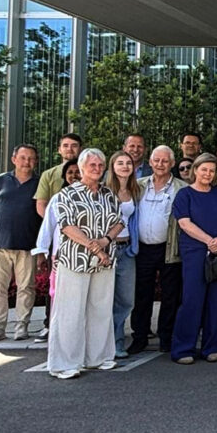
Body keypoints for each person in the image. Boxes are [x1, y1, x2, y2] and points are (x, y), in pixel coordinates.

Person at [46, 149, 123, 380]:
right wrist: (95, 247)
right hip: (75, 260)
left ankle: (98, 357)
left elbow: (119, 222)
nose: (97, 169)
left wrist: (105, 241)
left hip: (105, 260)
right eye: (92, 165)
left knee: (100, 309)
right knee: (70, 311)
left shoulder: (109, 194)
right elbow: (66, 225)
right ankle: (64, 363)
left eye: (100, 165)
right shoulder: (66, 194)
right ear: (81, 168)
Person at [169, 153, 217, 364]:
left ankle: (211, 347)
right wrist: (209, 241)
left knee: (215, 300)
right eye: (204, 169)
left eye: (212, 171)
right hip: (194, 252)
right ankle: (183, 349)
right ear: (195, 170)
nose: (207, 174)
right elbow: (184, 223)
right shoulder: (184, 195)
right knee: (192, 300)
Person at [0, 144, 43, 342]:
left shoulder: (40, 183)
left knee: (26, 288)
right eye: (23, 157)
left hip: (28, 246)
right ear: (14, 159)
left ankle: (21, 326)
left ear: (36, 161)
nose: (27, 162)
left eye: (31, 158)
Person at [130, 144, 185, 354]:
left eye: (165, 161)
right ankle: (140, 336)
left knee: (170, 294)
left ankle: (166, 337)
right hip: (143, 249)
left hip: (170, 248)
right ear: (151, 162)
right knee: (141, 294)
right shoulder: (139, 185)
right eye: (157, 160)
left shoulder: (182, 188)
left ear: (172, 163)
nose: (160, 164)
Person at [32, 158, 80, 342]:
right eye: (70, 173)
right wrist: (41, 252)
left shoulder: (97, 196)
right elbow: (47, 226)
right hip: (61, 254)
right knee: (57, 293)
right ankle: (54, 329)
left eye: (77, 171)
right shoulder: (58, 198)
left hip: (86, 255)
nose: (74, 176)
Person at [104, 150, 140, 359]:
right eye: (120, 163)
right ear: (112, 166)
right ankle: (110, 342)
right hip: (107, 249)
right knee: (104, 298)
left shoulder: (136, 190)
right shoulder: (103, 191)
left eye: (128, 163)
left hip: (127, 250)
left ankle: (117, 339)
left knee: (126, 299)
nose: (125, 166)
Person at [35, 132, 82, 218]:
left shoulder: (90, 172)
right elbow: (41, 205)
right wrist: (55, 222)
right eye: (65, 146)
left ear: (81, 149)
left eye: (74, 146)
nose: (69, 149)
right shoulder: (48, 174)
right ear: (59, 150)